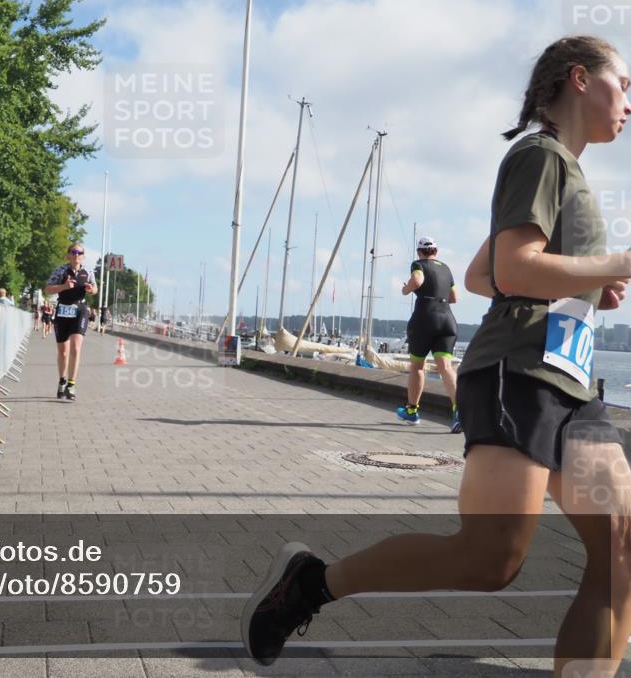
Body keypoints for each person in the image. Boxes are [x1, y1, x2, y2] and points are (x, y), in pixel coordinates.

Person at [242, 36, 631, 676]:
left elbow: (482, 275)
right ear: (581, 79)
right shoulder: (539, 156)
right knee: (490, 560)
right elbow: (511, 268)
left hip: (573, 383)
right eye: (624, 85)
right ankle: (310, 584)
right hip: (521, 375)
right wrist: (612, 264)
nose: (629, 104)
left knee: (622, 549)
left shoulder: (565, 168)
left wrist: (590, 284)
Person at [396, 236, 461, 431]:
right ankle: (459, 411)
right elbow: (454, 297)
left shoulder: (419, 264)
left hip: (425, 318)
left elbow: (417, 280)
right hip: (447, 320)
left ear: (419, 252)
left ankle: (412, 411)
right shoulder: (446, 268)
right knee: (446, 367)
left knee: (418, 366)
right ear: (436, 252)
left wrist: (405, 289)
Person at [45, 243, 97, 400]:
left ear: (83, 256)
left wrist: (91, 290)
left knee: (76, 347)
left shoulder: (88, 271)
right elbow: (47, 289)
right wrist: (64, 286)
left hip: (80, 309)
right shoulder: (60, 270)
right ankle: (62, 380)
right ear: (68, 255)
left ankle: (71, 384)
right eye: (73, 252)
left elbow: (95, 289)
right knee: (63, 351)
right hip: (63, 309)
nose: (76, 255)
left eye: (79, 253)